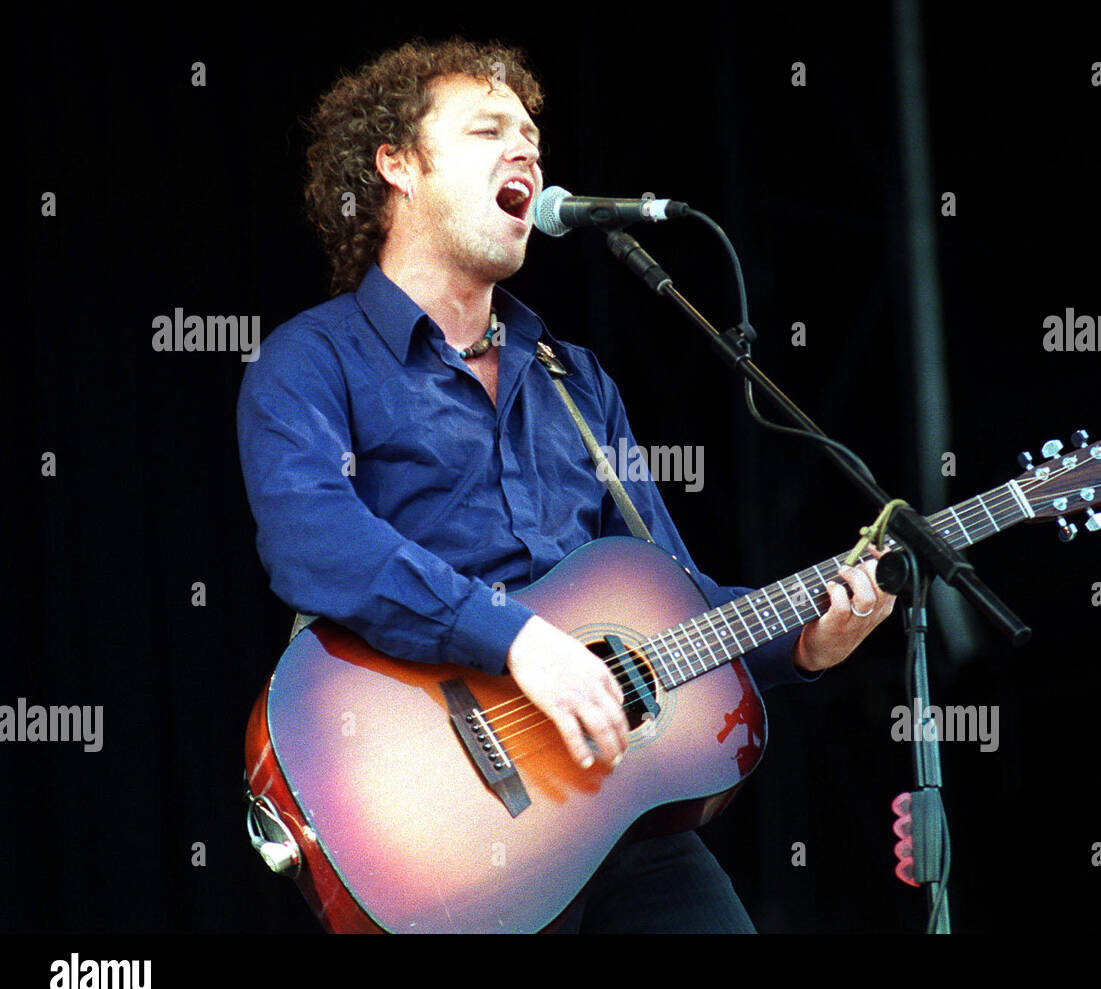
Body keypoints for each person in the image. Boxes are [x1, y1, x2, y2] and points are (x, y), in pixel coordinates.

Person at [236, 37, 895, 932]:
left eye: (533, 136)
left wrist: (806, 641)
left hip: (612, 800)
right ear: (395, 165)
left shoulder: (575, 379)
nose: (527, 151)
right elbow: (316, 540)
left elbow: (677, 600)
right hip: (438, 819)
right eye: (488, 129)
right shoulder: (312, 359)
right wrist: (518, 640)